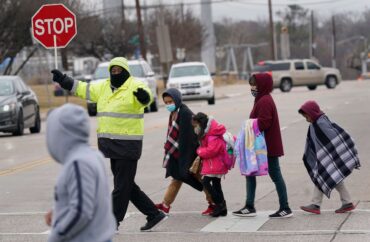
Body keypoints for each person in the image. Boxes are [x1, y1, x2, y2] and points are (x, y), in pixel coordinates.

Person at [51, 57, 166, 232]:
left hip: (128, 145)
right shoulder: (103, 87)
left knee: (121, 187)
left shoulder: (135, 84)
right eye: (113, 70)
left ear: (125, 71)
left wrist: (144, 98)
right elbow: (83, 89)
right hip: (111, 145)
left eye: (119, 70)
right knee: (127, 185)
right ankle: (154, 214)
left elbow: (147, 97)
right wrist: (64, 80)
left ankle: (112, 222)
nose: (115, 73)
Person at [44, 104, 115, 242]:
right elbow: (88, 198)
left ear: (60, 134)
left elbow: (81, 211)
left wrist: (57, 235)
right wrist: (57, 212)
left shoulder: (78, 163)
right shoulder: (93, 155)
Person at [233, 73, 293, 218]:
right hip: (259, 146)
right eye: (251, 85)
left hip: (267, 146)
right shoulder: (261, 99)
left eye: (254, 85)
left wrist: (248, 124)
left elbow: (264, 122)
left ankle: (285, 208)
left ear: (262, 85)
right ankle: (249, 206)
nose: (252, 88)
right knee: (250, 173)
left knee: (275, 175)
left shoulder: (265, 101)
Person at [156, 88, 214, 215]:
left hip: (191, 153)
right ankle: (165, 204)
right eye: (166, 103)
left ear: (176, 100)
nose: (168, 104)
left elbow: (190, 138)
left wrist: (185, 158)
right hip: (180, 153)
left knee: (199, 178)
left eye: (170, 101)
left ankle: (214, 203)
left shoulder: (185, 113)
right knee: (177, 176)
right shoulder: (175, 113)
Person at [298, 100, 360, 214]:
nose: (306, 118)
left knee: (325, 176)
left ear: (312, 113)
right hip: (325, 158)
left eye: (306, 116)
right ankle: (346, 202)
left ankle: (316, 204)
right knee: (329, 177)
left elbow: (334, 137)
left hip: (331, 157)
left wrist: (328, 155)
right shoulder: (315, 124)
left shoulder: (321, 123)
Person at [192, 112, 228, 217]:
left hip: (216, 164)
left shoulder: (212, 134)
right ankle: (222, 207)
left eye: (196, 125)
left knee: (206, 182)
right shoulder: (207, 133)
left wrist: (199, 151)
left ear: (201, 123)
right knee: (216, 185)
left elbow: (211, 150)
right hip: (213, 163)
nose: (195, 127)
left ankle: (219, 205)